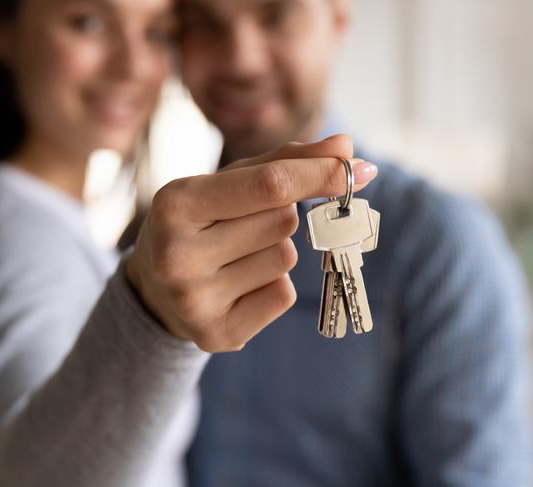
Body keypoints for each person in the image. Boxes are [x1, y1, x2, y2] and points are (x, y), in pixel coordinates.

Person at [0, 0, 378, 486]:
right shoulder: (13, 234)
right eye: (89, 23)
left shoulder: (17, 217)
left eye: (156, 33)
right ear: (1, 30)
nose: (134, 66)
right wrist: (152, 320)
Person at [158, 0, 530, 485]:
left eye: (276, 16)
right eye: (205, 24)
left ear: (337, 23)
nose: (241, 60)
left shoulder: (441, 245)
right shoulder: (155, 245)